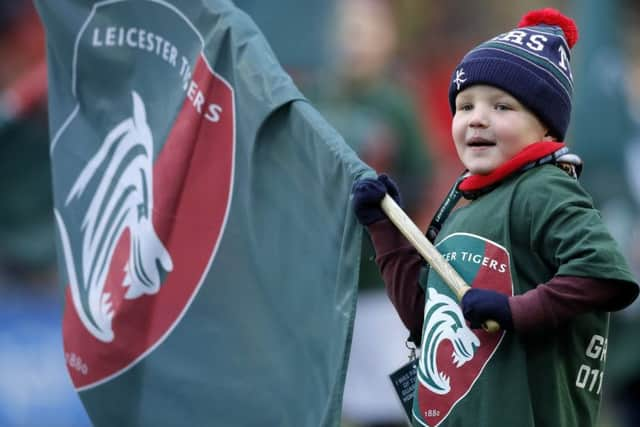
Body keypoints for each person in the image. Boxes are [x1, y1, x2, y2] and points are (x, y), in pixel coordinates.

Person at [351, 8, 639, 427]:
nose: (477, 118)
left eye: (502, 106)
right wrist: (384, 230)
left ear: (545, 128)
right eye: (465, 105)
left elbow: (603, 276)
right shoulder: (464, 202)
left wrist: (515, 310)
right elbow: (422, 317)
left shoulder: (544, 188)